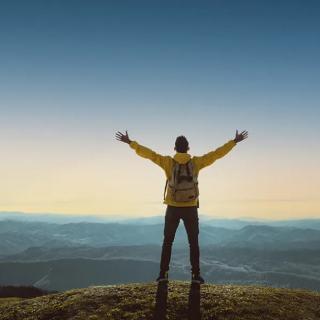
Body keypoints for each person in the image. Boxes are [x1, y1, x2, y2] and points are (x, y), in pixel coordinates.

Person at [115, 129, 248, 284]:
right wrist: (234, 142)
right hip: (191, 207)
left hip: (172, 207)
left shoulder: (168, 162)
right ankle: (196, 275)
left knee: (167, 242)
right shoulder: (196, 163)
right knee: (193, 242)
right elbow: (216, 154)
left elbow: (149, 154)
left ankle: (163, 274)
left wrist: (131, 143)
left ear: (174, 148)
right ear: (188, 148)